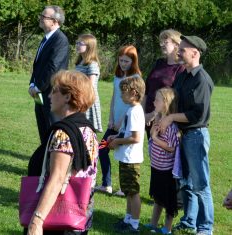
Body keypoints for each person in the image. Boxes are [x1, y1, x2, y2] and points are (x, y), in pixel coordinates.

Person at [26, 70, 99, 235]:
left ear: (68, 97)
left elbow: (57, 178)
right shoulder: (87, 130)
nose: (50, 96)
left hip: (56, 218)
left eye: (54, 91)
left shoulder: (63, 134)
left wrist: (37, 220)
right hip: (78, 217)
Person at [159, 35, 214, 235]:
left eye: (182, 49)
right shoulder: (182, 76)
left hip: (196, 135)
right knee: (186, 182)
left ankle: (205, 228)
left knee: (200, 184)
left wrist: (171, 117)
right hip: (183, 135)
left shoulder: (202, 79)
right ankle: (189, 221)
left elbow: (197, 114)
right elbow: (173, 99)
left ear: (194, 53)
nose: (178, 52)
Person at [95, 45, 142, 195]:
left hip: (126, 126)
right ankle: (106, 184)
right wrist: (110, 119)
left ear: (133, 62)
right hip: (113, 124)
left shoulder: (136, 79)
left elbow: (133, 105)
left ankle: (124, 188)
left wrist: (120, 123)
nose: (123, 64)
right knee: (101, 149)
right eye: (121, 60)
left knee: (124, 156)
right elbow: (114, 99)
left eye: (126, 61)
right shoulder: (117, 77)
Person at [107, 76, 145, 233]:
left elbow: (135, 137)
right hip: (125, 157)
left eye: (123, 92)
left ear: (134, 92)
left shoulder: (135, 111)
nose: (121, 95)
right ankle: (127, 219)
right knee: (128, 191)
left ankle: (134, 224)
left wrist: (117, 143)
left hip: (131, 159)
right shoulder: (131, 110)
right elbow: (126, 132)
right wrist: (115, 137)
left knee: (133, 192)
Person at [28, 5, 69, 144]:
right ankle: (44, 160)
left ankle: (54, 162)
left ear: (55, 21)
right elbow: (38, 65)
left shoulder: (60, 40)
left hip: (51, 93)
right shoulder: (46, 38)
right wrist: (32, 83)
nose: (40, 18)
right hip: (39, 93)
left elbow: (53, 67)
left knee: (52, 128)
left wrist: (38, 86)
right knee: (43, 127)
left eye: (44, 17)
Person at [145, 88, 179, 234]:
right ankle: (153, 223)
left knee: (168, 200)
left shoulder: (171, 126)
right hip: (156, 167)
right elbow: (153, 134)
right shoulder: (157, 119)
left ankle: (167, 228)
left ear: (165, 103)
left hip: (166, 170)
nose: (153, 102)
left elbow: (171, 147)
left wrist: (155, 138)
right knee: (157, 197)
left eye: (157, 100)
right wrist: (153, 130)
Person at [143, 29, 185, 139]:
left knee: (165, 154)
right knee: (154, 153)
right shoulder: (159, 63)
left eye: (165, 42)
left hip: (165, 120)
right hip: (148, 118)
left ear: (176, 44)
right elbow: (147, 90)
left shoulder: (181, 68)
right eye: (161, 42)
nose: (161, 45)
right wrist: (144, 114)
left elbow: (175, 97)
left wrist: (154, 115)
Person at [75, 34, 103, 133]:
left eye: (80, 43)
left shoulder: (92, 64)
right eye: (77, 43)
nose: (77, 45)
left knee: (86, 130)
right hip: (78, 98)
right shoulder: (79, 63)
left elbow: (90, 86)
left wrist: (82, 100)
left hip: (87, 100)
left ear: (89, 47)